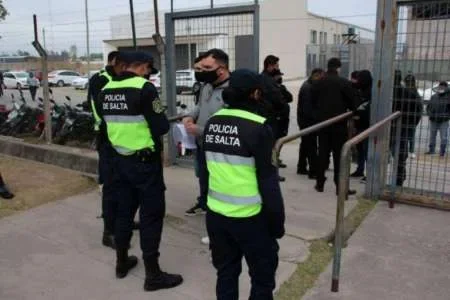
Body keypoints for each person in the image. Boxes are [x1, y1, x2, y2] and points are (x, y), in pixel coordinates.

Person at [97, 51, 183, 291]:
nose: (149, 74)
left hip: (119, 161)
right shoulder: (144, 88)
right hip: (144, 164)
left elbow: (105, 128)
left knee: (124, 212)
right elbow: (161, 126)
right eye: (148, 69)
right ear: (143, 66)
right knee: (151, 216)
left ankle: (122, 262)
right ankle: (153, 274)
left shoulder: (105, 90)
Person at [203, 69, 285, 300]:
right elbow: (268, 182)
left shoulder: (212, 122)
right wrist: (277, 223)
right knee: (262, 277)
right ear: (256, 93)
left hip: (217, 215)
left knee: (226, 273)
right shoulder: (259, 127)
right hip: (251, 218)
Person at [183, 49, 230, 216]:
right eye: (200, 68)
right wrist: (190, 116)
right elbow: (200, 106)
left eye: (207, 68)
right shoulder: (207, 86)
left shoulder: (232, 92)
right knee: (203, 176)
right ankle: (204, 203)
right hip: (202, 143)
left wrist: (200, 130)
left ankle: (217, 210)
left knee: (219, 180)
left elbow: (229, 126)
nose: (202, 73)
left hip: (220, 147)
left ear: (221, 69)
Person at [88, 51, 126, 249]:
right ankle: (108, 232)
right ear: (114, 62)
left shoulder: (119, 79)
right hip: (106, 137)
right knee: (110, 186)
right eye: (123, 66)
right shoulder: (100, 79)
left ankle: (123, 221)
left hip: (122, 140)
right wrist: (107, 128)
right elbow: (96, 108)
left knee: (123, 185)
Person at [312, 58, 358, 195]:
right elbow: (353, 103)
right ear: (338, 68)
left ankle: (320, 183)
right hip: (339, 124)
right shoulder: (344, 83)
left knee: (323, 154)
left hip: (323, 124)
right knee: (340, 156)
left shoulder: (318, 83)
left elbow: (313, 103)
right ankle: (340, 187)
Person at [391, 70, 423, 186]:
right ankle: (399, 178)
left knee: (397, 153)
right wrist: (411, 125)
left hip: (394, 128)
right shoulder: (409, 93)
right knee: (399, 154)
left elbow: (417, 110)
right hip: (402, 128)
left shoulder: (388, 93)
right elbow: (418, 110)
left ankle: (398, 178)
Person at [261, 55, 287, 181]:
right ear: (269, 66)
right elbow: (279, 100)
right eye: (276, 66)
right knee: (272, 148)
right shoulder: (269, 81)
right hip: (270, 118)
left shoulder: (261, 78)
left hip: (265, 117)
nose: (278, 68)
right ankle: (272, 174)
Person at [297, 68, 324, 178]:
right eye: (321, 77)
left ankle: (302, 167)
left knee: (305, 144)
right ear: (316, 76)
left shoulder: (308, 85)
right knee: (311, 146)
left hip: (304, 120)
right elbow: (308, 109)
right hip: (308, 121)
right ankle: (313, 171)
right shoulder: (309, 88)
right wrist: (317, 120)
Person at [350, 70, 373, 182]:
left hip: (367, 124)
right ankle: (360, 169)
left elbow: (367, 108)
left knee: (367, 149)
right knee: (360, 149)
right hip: (359, 123)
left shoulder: (370, 91)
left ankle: (369, 174)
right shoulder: (360, 89)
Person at [426, 81, 449, 157]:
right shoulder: (434, 96)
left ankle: (442, 152)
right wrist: (430, 114)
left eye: (443, 87)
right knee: (432, 136)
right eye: (440, 87)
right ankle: (431, 150)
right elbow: (428, 107)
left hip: (444, 121)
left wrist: (447, 116)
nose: (441, 88)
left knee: (443, 137)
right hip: (433, 120)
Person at [403, 73, 421, 159]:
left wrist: (416, 120)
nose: (408, 84)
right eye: (407, 82)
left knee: (411, 136)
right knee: (405, 136)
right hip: (405, 119)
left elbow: (419, 108)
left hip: (412, 119)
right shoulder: (404, 92)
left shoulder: (415, 93)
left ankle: (411, 151)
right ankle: (407, 151)